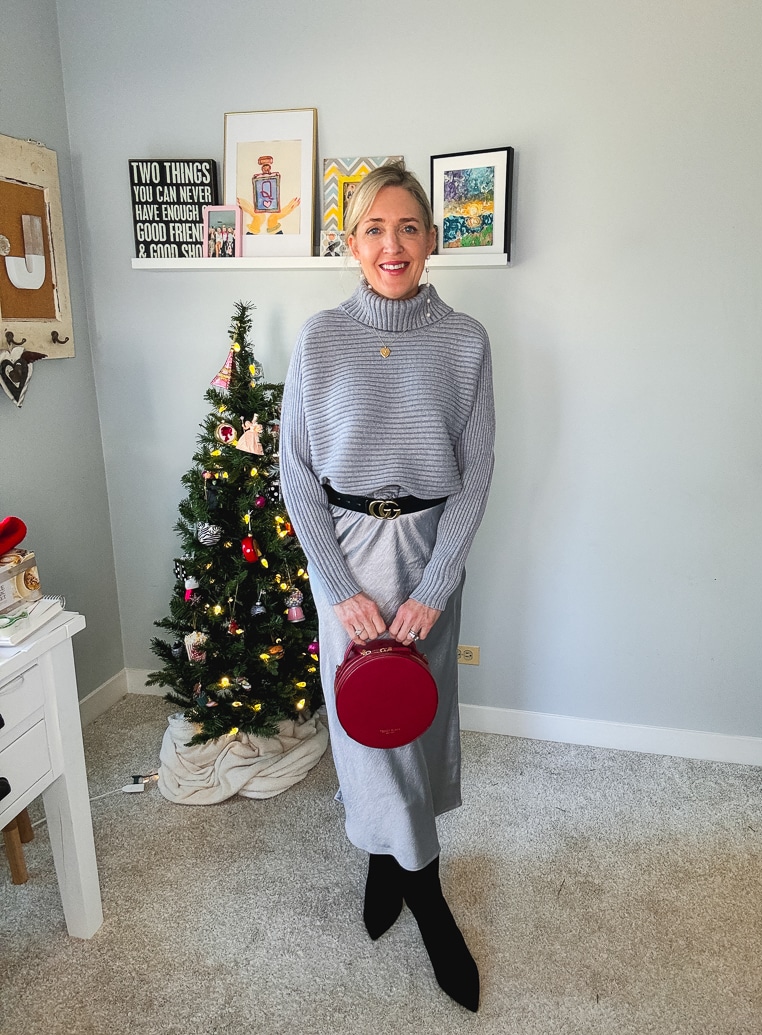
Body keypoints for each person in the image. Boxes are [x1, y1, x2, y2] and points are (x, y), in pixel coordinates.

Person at [280, 162, 495, 1012]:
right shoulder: (320, 338)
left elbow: (477, 474)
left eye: (408, 228)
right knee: (365, 723)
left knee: (414, 718)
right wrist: (338, 587)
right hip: (347, 556)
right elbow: (296, 474)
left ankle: (403, 872)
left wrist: (436, 584)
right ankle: (413, 879)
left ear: (432, 241)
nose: (391, 245)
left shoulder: (467, 339)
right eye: (374, 229)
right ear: (351, 242)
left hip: (428, 557)